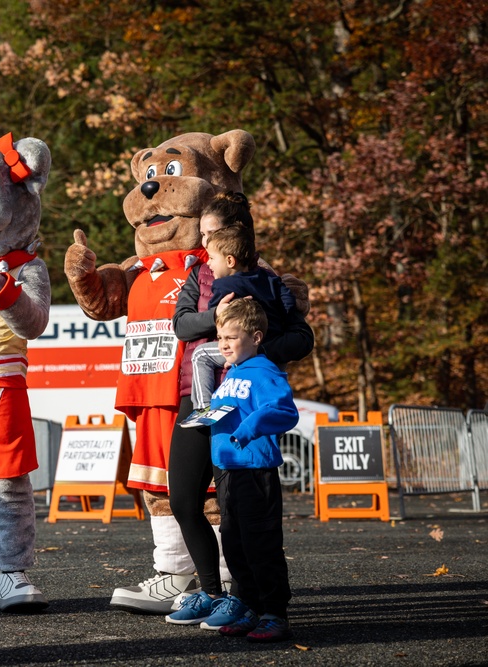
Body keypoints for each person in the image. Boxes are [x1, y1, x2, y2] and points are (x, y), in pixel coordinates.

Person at [159, 191, 312, 628]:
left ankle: (248, 601)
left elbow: (302, 338)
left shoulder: (268, 280)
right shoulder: (200, 275)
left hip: (243, 402)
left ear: (234, 236)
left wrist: (253, 351)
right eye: (201, 234)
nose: (202, 244)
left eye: (208, 235)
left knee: (240, 513)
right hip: (200, 398)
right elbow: (181, 324)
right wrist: (220, 321)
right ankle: (211, 592)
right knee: (184, 499)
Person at [201, 298, 299, 642]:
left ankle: (275, 613)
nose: (223, 343)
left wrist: (250, 427)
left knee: (262, 545)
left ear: (256, 337)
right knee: (235, 543)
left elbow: (285, 411)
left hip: (256, 469)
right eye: (219, 337)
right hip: (228, 469)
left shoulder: (264, 370)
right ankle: (250, 608)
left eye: (231, 336)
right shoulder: (231, 374)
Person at [189, 223, 297, 411]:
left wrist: (217, 314)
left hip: (246, 346)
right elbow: (288, 301)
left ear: (230, 261)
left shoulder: (224, 285)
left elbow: (221, 324)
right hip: (272, 344)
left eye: (212, 258)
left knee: (200, 354)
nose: (208, 263)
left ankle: (203, 408)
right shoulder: (269, 278)